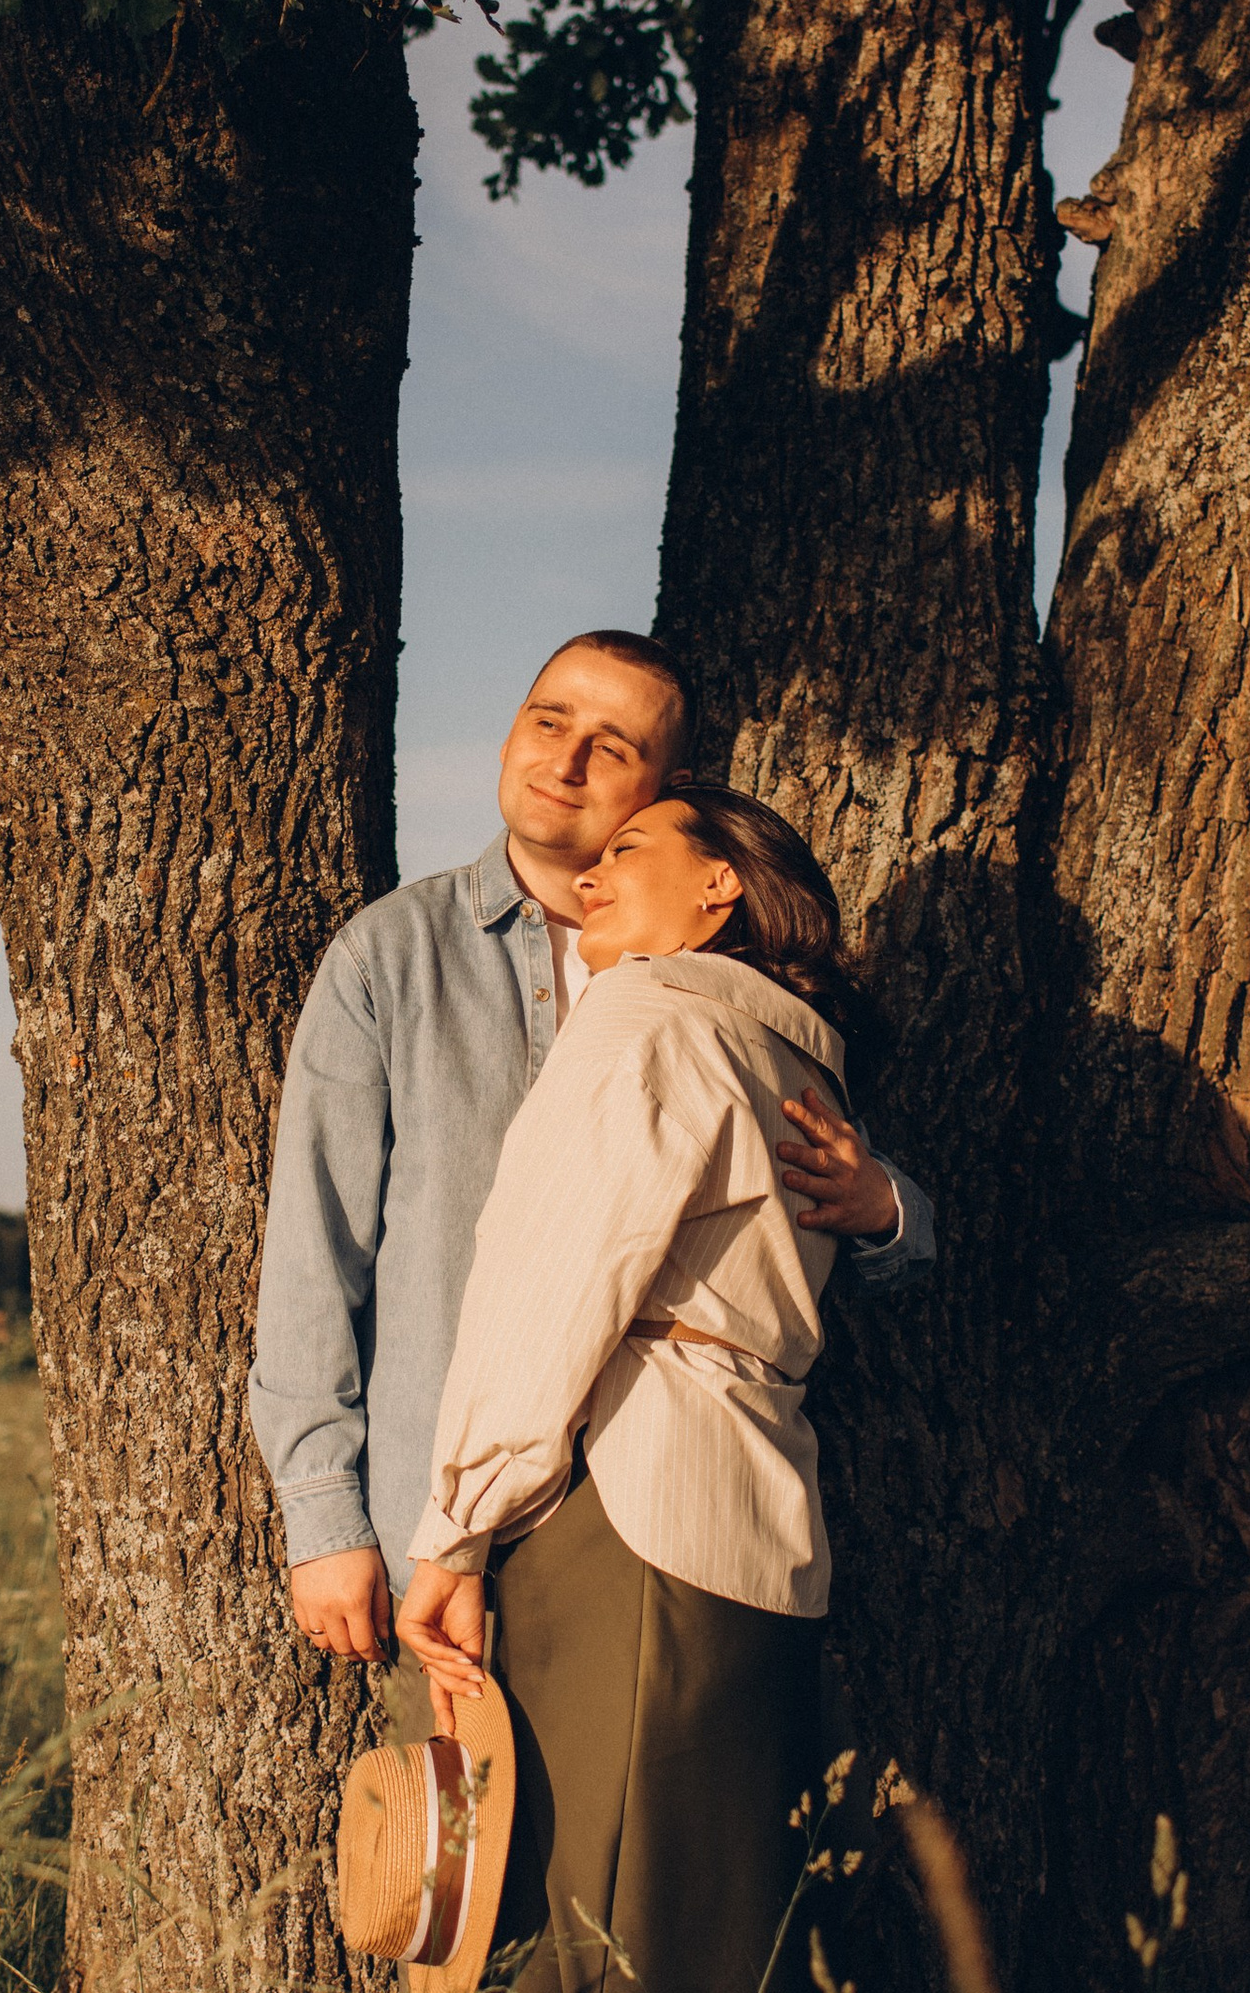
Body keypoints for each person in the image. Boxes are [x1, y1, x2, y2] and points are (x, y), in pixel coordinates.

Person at [393, 782, 891, 1993]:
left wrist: (458, 1523)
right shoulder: (794, 1052)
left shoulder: (649, 1021)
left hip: (631, 1501)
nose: (595, 871)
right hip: (745, 1516)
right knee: (665, 1926)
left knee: (617, 1935)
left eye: (637, 851)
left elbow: (557, 1281)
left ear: (723, 894)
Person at [249, 632, 933, 1664]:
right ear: (509, 736)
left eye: (611, 748)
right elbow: (316, 1252)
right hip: (440, 1517)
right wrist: (324, 1517)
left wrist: (882, 1206)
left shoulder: (724, 985)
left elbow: (817, 1249)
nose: (563, 762)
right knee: (474, 1819)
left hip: (663, 1507)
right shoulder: (392, 954)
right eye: (548, 721)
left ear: (668, 786)